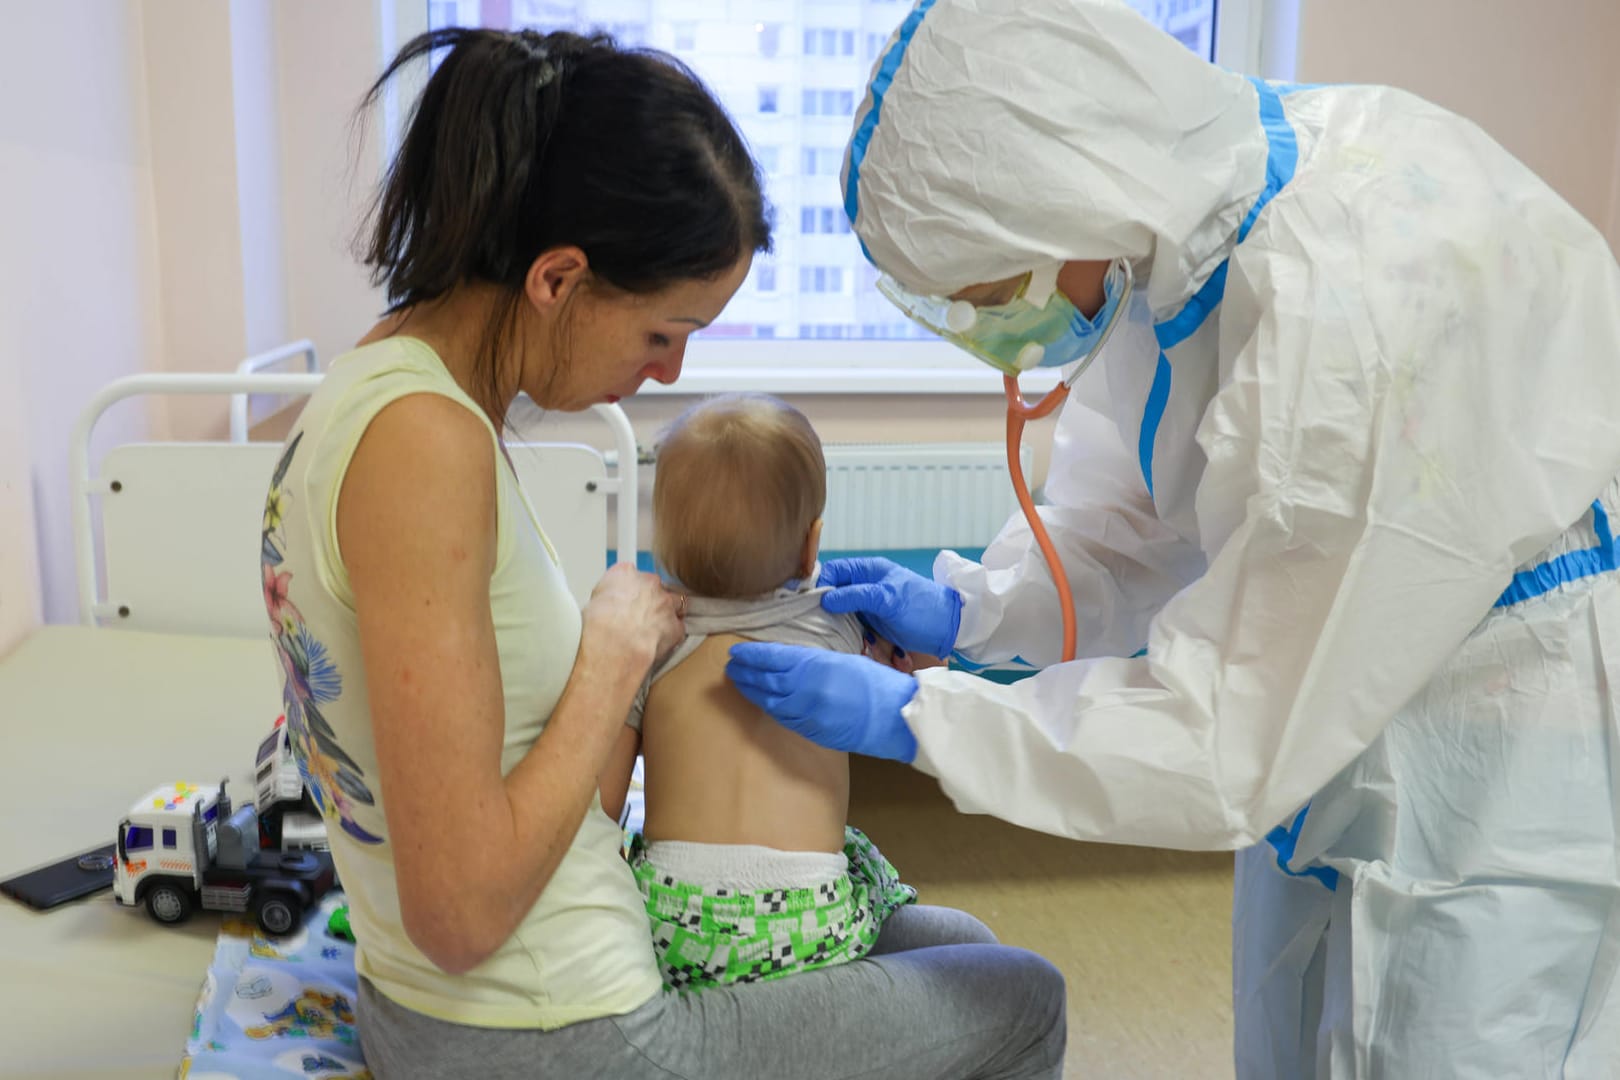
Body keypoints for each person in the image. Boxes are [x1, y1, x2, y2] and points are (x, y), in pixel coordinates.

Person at [724, 0, 1620, 1075]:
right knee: (1296, 1029)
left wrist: (932, 721)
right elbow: (1147, 522)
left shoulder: (1345, 294)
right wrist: (975, 612)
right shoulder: (1171, 248)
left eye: (990, 295)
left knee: (1443, 1038)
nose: (991, 334)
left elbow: (1227, 726)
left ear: (1062, 198)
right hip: (1332, 699)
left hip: (1500, 742)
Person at [261, 26, 1065, 1080]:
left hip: (494, 995)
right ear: (558, 279)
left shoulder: (382, 389)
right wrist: (608, 663)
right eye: (660, 334)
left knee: (959, 950)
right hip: (554, 1029)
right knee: (1026, 1001)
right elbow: (457, 911)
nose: (670, 369)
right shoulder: (425, 447)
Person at [605, 393, 1024, 992]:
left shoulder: (650, 643)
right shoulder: (837, 621)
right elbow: (928, 679)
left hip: (676, 930)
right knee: (867, 869)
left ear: (663, 546)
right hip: (811, 922)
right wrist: (936, 626)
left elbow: (602, 811)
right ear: (812, 544)